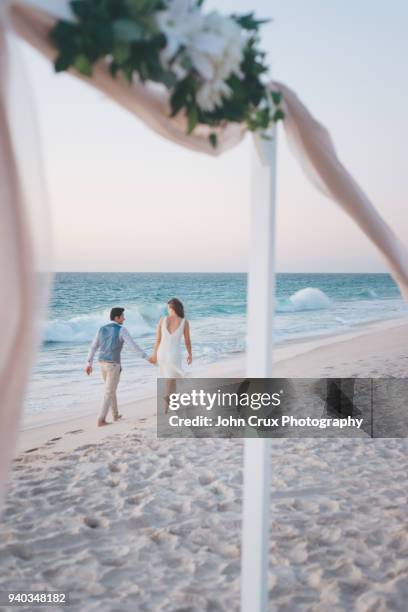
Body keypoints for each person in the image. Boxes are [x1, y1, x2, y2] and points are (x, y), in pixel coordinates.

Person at [85, 307, 149, 427]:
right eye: (122, 316)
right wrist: (146, 357)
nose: (124, 318)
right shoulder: (122, 330)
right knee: (109, 392)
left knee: (111, 389)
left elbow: (93, 347)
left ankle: (115, 415)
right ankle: (101, 419)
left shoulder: (102, 329)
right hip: (113, 365)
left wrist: (89, 363)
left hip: (102, 363)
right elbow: (133, 347)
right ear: (117, 317)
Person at [149, 298, 192, 411]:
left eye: (168, 308)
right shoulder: (184, 322)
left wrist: (154, 355)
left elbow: (158, 340)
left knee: (170, 378)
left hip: (162, 353)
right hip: (174, 354)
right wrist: (190, 354)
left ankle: (170, 405)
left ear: (171, 308)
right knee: (171, 378)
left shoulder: (162, 320)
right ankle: (169, 400)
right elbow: (187, 341)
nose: (167, 310)